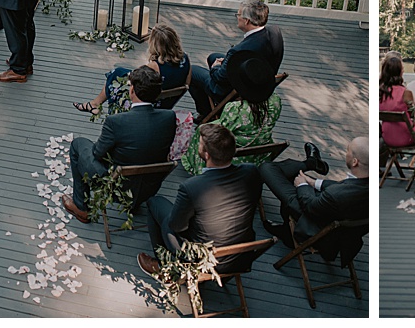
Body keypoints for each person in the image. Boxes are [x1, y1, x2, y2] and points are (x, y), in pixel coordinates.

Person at [138, 123, 264, 283]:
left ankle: (165, 267)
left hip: (203, 260)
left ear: (206, 155)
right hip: (239, 257)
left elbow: (177, 227)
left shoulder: (192, 187)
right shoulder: (251, 171)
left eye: (200, 143)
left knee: (155, 203)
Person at [62, 65, 179, 222]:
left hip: (117, 189)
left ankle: (81, 207)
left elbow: (97, 153)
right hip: (149, 187)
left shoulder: (116, 122)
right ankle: (134, 203)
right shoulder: (169, 117)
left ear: (132, 91)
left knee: (78, 145)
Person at [259, 137, 368, 267]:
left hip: (316, 225)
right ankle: (311, 163)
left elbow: (311, 206)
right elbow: (344, 187)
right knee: (293, 177)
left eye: (348, 151)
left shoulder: (336, 195)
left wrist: (302, 185)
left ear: (355, 162)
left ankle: (310, 163)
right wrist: (314, 182)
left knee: (267, 168)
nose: (346, 153)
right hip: (343, 230)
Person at [180, 53, 282, 174]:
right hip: (259, 150)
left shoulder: (235, 109)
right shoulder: (275, 101)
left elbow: (220, 132)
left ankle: (197, 168)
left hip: (235, 152)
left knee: (202, 129)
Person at [188, 0, 284, 117]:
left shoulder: (239, 50)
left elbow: (219, 77)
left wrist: (216, 67)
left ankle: (207, 114)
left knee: (191, 71)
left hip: (238, 89)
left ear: (247, 21)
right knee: (213, 57)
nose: (237, 17)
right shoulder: (273, 33)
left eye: (238, 14)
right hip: (258, 77)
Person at [75, 22, 191, 116]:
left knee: (116, 73)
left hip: (150, 102)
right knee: (118, 73)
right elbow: (186, 84)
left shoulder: (155, 66)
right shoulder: (185, 58)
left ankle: (95, 104)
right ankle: (94, 104)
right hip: (167, 104)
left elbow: (137, 81)